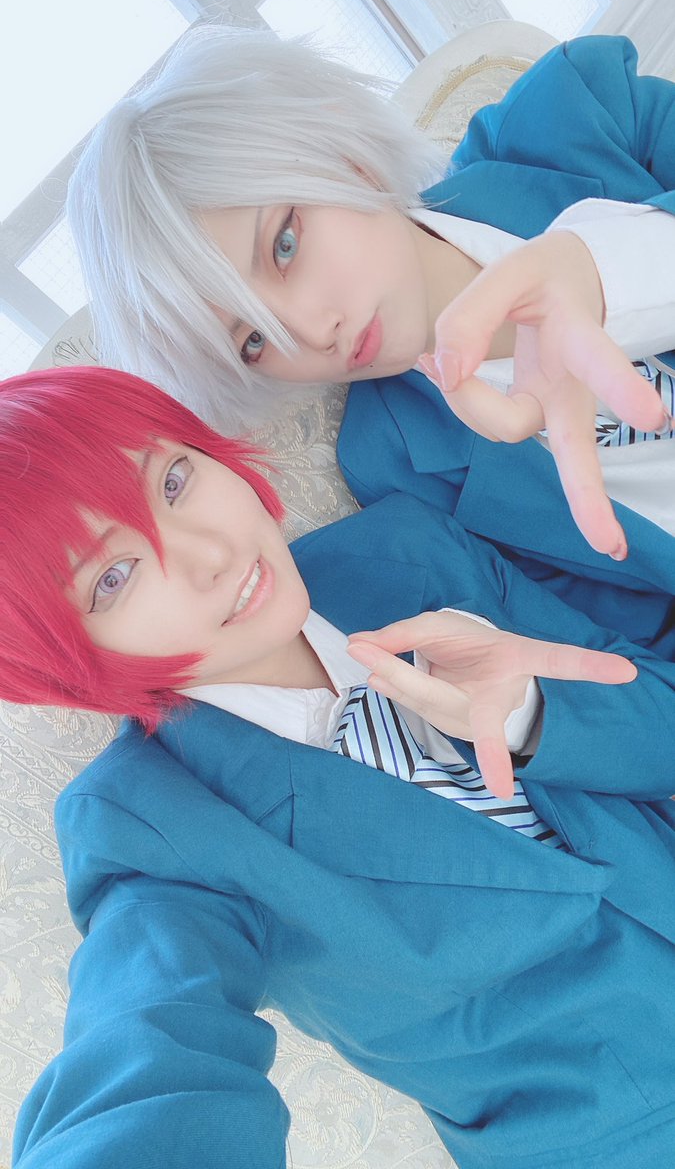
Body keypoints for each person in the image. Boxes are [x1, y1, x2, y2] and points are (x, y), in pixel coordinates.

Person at [6, 365, 675, 1169]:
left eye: (173, 481)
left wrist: (530, 711)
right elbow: (147, 1053)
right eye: (113, 577)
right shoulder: (143, 823)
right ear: (63, 658)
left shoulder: (403, 550)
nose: (210, 553)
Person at [66, 24, 675, 579]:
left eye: (283, 246)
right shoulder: (396, 468)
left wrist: (609, 271)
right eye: (253, 340)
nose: (312, 331)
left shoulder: (575, 112)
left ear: (346, 159)